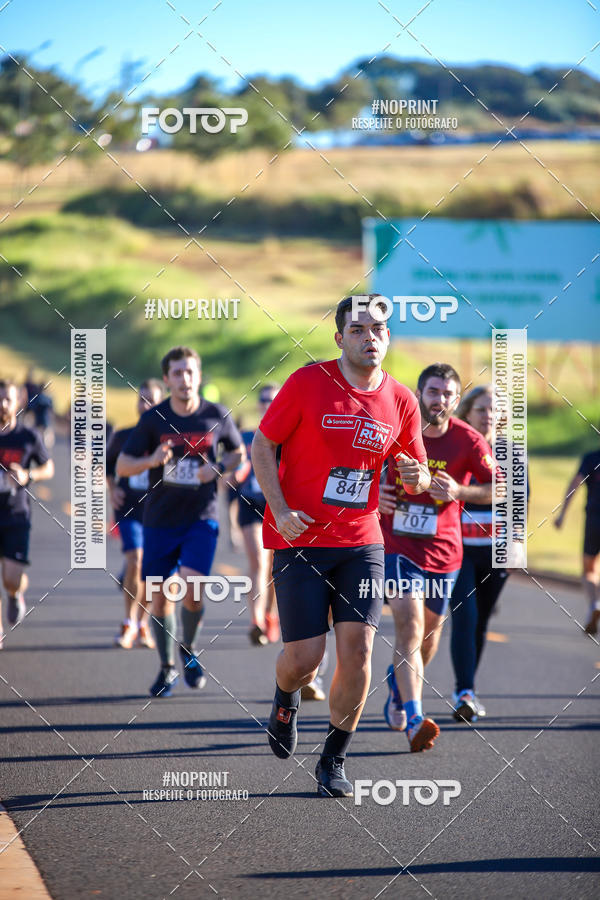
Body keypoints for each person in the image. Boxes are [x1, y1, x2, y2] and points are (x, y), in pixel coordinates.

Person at [251, 296, 430, 798]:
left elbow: (416, 476)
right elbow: (263, 445)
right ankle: (285, 697)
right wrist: (280, 510)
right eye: (358, 329)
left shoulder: (401, 400)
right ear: (339, 338)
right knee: (305, 658)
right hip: (301, 538)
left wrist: (415, 476)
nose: (370, 337)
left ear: (388, 337)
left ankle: (333, 760)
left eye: (379, 329)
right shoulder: (308, 383)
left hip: (361, 543)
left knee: (359, 649)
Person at [117, 347, 245, 697]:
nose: (185, 379)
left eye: (190, 372)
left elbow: (238, 453)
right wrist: (151, 460)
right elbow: (123, 465)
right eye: (177, 373)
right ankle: (167, 667)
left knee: (192, 587)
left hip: (201, 518)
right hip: (159, 520)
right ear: (167, 379)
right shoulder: (153, 420)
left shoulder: (216, 415)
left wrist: (217, 467)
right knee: (159, 600)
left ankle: (188, 648)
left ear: (198, 376)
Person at [380, 363, 495, 750]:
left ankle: (397, 686)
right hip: (397, 545)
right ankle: (415, 719)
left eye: (447, 394)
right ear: (419, 394)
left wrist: (460, 493)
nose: (439, 400)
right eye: (432, 392)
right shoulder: (395, 428)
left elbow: (498, 488)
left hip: (444, 553)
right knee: (410, 627)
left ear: (457, 400)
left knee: (427, 640)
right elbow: (359, 465)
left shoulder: (468, 440)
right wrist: (375, 492)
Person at [449, 385, 510, 722]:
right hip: (458, 552)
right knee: (466, 616)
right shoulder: (457, 445)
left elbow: (520, 505)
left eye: (495, 410)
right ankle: (465, 692)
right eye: (482, 409)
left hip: (496, 553)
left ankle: (468, 690)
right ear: (467, 412)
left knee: (481, 621)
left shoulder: (512, 453)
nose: (489, 415)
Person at [106, 379, 164, 649]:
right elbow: (108, 465)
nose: (146, 405)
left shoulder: (168, 438)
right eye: (142, 399)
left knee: (152, 570)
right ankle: (129, 622)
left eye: (152, 400)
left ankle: (143, 622)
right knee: (136, 560)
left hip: (157, 511)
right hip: (129, 508)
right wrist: (112, 489)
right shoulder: (123, 435)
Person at [0, 379, 54, 647]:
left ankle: (15, 593)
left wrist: (27, 475)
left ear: (18, 402)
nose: (2, 405)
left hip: (16, 515)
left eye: (7, 399)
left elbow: (48, 468)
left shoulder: (28, 436)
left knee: (11, 579)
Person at [235, 384, 281, 646]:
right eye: (263, 399)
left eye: (272, 400)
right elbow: (235, 464)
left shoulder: (288, 437)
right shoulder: (245, 436)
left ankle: (269, 614)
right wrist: (234, 472)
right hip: (250, 504)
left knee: (274, 568)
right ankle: (256, 622)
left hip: (277, 507)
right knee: (259, 563)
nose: (267, 404)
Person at [555, 438, 600, 635]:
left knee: (589, 569)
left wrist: (562, 514)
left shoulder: (591, 458)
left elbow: (575, 484)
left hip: (594, 521)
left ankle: (595, 603)